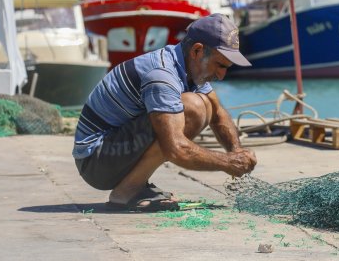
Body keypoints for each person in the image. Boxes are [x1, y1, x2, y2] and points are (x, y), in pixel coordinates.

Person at [72, 14, 257, 212]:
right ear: (197, 51)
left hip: (110, 151)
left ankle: (138, 185)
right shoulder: (162, 75)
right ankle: (126, 193)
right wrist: (227, 163)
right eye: (220, 65)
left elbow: (218, 113)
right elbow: (176, 149)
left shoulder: (187, 68)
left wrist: (236, 150)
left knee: (206, 105)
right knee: (193, 108)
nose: (222, 75)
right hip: (95, 162)